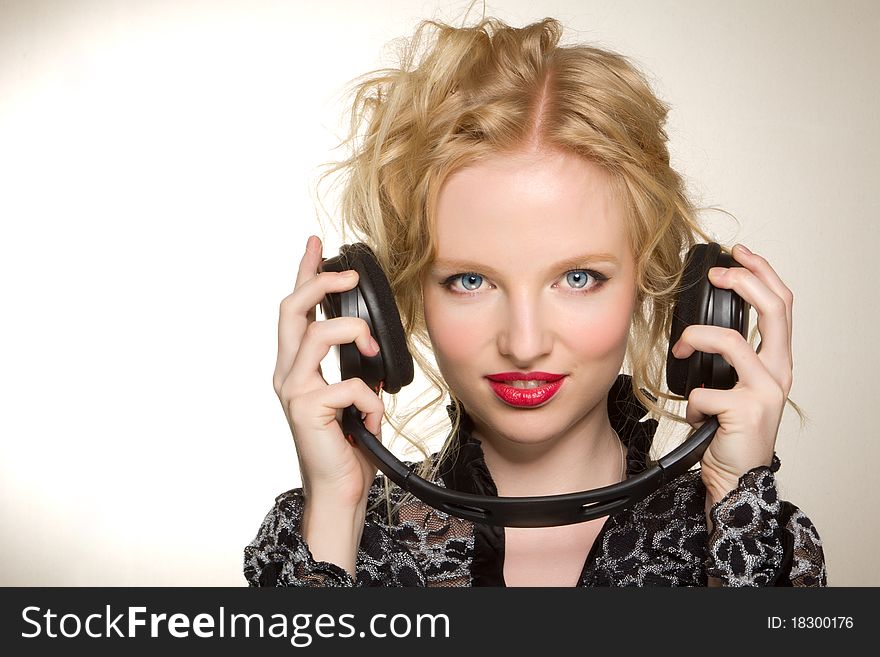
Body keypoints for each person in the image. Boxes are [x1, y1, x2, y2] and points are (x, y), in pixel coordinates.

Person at [243, 16, 826, 587]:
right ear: (390, 307)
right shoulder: (321, 548)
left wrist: (736, 496)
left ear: (657, 288)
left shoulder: (755, 549)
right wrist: (336, 510)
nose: (524, 344)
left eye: (577, 278)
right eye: (470, 281)